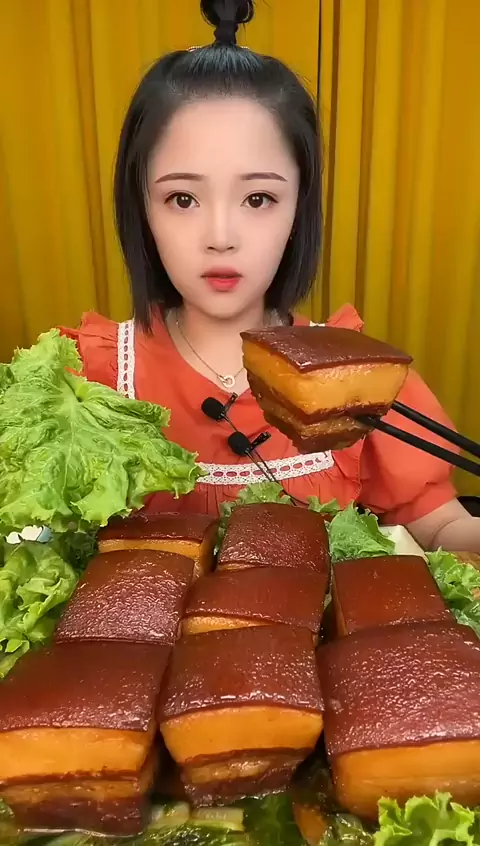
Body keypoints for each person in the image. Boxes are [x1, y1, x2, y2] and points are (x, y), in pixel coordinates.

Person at [63, 0, 480, 553]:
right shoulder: (85, 382)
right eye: (182, 198)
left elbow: (442, 526)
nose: (220, 236)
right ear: (140, 208)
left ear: (299, 207)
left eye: (258, 198)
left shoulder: (356, 379)